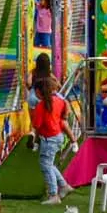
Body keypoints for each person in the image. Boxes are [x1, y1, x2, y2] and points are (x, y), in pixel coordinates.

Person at [31, 76, 80, 205]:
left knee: (45, 165)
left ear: (39, 92)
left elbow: (37, 125)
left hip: (49, 139)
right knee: (49, 164)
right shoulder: (58, 100)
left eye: (34, 91)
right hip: (57, 136)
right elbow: (64, 114)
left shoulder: (41, 106)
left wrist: (35, 140)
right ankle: (64, 186)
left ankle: (53, 195)